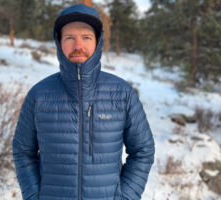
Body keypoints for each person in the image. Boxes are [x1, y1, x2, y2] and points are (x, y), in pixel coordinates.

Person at [12, 3, 155, 200]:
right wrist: (33, 196)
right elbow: (23, 152)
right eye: (70, 38)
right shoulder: (39, 95)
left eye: (86, 37)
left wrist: (126, 196)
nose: (78, 46)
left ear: (97, 42)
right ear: (59, 42)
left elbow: (143, 151)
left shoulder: (121, 93)